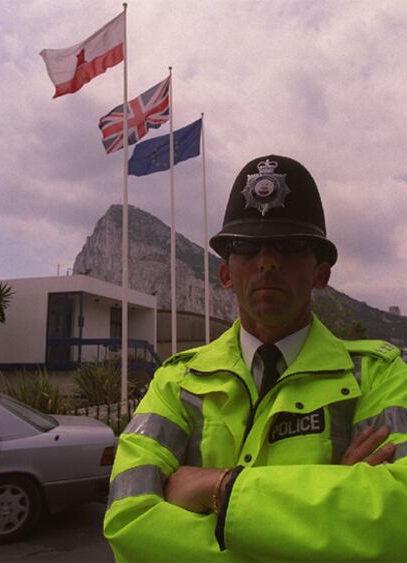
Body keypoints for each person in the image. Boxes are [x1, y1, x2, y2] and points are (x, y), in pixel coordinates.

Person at [104, 155, 407, 562]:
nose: (267, 261)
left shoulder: (377, 374)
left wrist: (221, 489)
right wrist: (334, 497)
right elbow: (129, 521)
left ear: (322, 274)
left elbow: (398, 518)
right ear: (226, 274)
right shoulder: (177, 382)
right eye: (247, 247)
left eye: (290, 245)